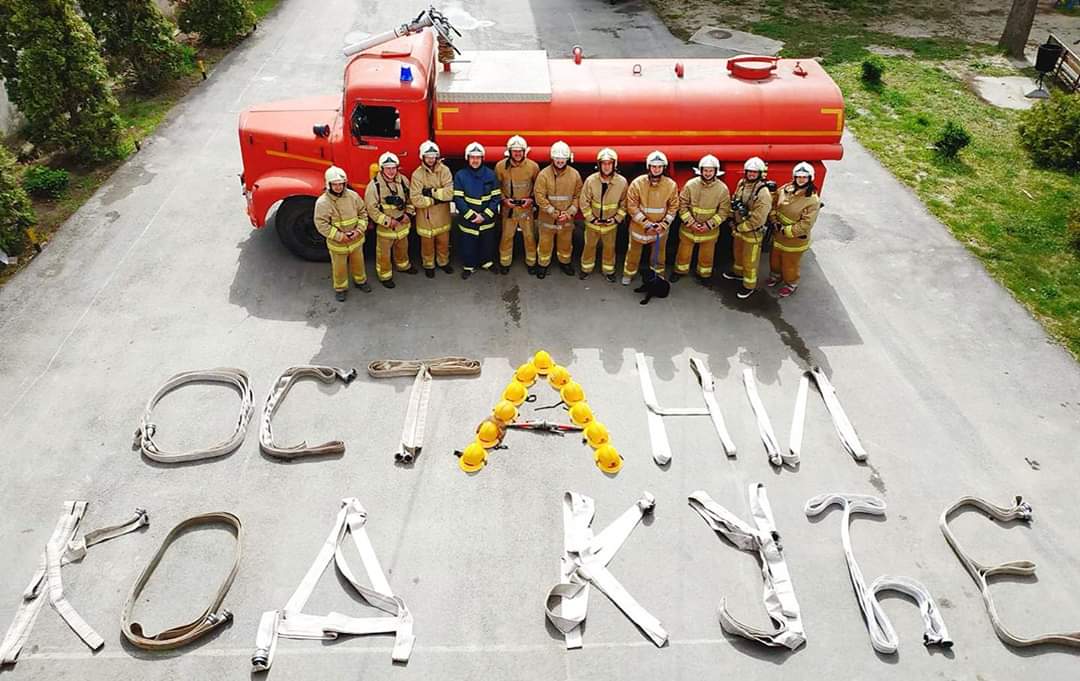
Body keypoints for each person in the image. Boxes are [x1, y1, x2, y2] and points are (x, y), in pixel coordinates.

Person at [314, 166, 370, 301]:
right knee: (339, 268)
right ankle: (340, 288)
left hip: (356, 240)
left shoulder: (353, 196)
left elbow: (363, 213)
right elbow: (321, 224)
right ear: (329, 185)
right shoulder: (323, 203)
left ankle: (361, 281)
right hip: (337, 244)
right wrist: (340, 236)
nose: (338, 187)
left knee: (359, 263)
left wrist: (359, 230)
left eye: (341, 184)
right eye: (335, 184)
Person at [623, 150, 678, 285]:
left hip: (660, 229)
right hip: (639, 228)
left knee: (659, 255)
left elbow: (673, 207)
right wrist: (646, 224)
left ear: (663, 168)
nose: (656, 169)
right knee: (633, 253)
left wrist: (663, 224)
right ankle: (628, 274)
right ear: (649, 167)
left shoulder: (671, 185)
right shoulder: (637, 184)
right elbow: (632, 207)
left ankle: (658, 275)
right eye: (654, 166)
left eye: (659, 167)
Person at [673, 154, 731, 283]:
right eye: (705, 170)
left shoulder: (722, 189)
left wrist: (709, 225)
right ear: (701, 171)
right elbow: (682, 205)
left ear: (716, 171)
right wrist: (691, 222)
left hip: (709, 232)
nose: (708, 173)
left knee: (707, 256)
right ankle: (679, 271)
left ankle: (704, 275)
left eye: (711, 170)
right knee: (683, 253)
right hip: (689, 229)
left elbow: (724, 211)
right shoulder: (690, 185)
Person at [767, 162, 820, 298]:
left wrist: (787, 231)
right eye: (798, 176)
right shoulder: (786, 189)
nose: (801, 179)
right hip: (778, 235)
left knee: (790, 264)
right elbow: (774, 204)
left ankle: (791, 284)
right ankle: (775, 277)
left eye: (804, 177)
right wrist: (774, 221)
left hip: (795, 240)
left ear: (810, 178)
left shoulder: (812, 200)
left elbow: (806, 224)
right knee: (775, 259)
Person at [722, 157, 772, 299]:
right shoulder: (742, 184)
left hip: (752, 232)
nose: (751, 174)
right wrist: (732, 219)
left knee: (750, 260)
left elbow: (758, 218)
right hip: (739, 228)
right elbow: (734, 201)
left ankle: (749, 285)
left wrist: (741, 227)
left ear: (760, 174)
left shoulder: (763, 193)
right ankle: (738, 274)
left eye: (754, 173)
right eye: (749, 172)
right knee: (738, 254)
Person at [364, 152, 416, 289]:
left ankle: (403, 266)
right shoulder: (374, 186)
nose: (391, 171)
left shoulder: (404, 180)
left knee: (402, 248)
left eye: (393, 168)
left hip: (402, 225)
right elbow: (372, 209)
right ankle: (385, 275)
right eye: (388, 168)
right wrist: (388, 221)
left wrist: (408, 215)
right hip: (386, 228)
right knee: (384, 254)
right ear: (382, 169)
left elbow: (411, 199)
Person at [534, 141, 583, 278]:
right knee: (545, 243)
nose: (560, 161)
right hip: (548, 218)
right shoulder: (543, 175)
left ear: (567, 158)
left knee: (566, 243)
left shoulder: (575, 175)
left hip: (566, 219)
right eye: (557, 158)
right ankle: (542, 265)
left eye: (563, 158)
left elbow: (578, 196)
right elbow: (539, 197)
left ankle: (565, 263)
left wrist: (570, 213)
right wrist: (553, 212)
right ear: (552, 158)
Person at [453, 142, 501, 279]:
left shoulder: (491, 175)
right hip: (469, 219)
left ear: (482, 159)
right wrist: (471, 215)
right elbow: (458, 198)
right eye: (472, 157)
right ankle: (469, 266)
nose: (475, 160)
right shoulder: (460, 175)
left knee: (487, 243)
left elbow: (496, 197)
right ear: (467, 158)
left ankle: (487, 263)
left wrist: (485, 216)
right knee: (468, 244)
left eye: (478, 157)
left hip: (486, 219)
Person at [578, 148, 627, 282]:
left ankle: (609, 270)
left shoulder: (622, 182)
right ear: (599, 165)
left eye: (609, 163)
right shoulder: (590, 181)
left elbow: (624, 204)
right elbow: (584, 202)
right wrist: (591, 218)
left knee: (610, 249)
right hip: (592, 224)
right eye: (604, 163)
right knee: (589, 246)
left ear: (614, 164)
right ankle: (586, 269)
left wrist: (616, 219)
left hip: (610, 225)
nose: (606, 166)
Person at [495, 135, 541, 274]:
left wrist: (531, 199)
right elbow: (496, 187)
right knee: (506, 237)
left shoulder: (533, 167)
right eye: (514, 151)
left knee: (530, 237)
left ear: (524, 151)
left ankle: (531, 262)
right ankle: (505, 262)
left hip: (526, 209)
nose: (517, 153)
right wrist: (503, 200)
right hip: (508, 209)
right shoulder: (500, 166)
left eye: (520, 150)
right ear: (509, 151)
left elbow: (537, 187)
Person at [409, 140, 455, 278]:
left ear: (437, 157)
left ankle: (443, 263)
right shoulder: (417, 175)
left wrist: (431, 192)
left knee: (443, 243)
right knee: (427, 245)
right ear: (422, 157)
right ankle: (428, 265)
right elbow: (416, 199)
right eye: (428, 156)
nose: (430, 159)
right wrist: (435, 199)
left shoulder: (445, 171)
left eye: (433, 156)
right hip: (425, 218)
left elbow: (450, 193)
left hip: (442, 216)